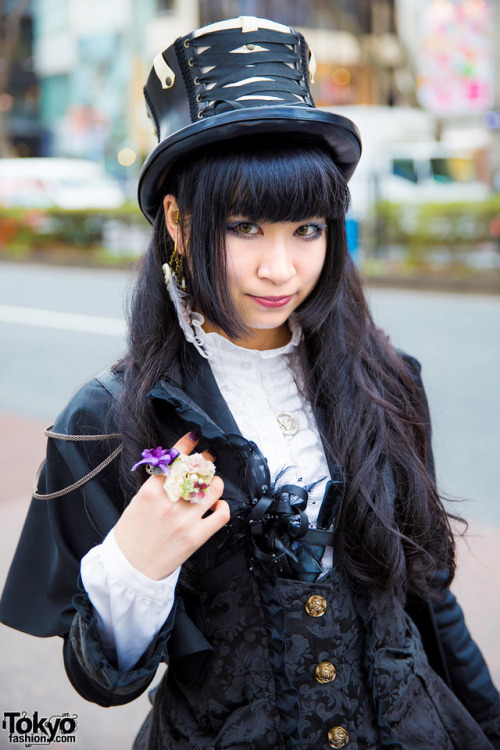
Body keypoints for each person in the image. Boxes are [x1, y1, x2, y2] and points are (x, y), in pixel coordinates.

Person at [1, 16, 500, 750]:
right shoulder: (108, 420)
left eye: (306, 229)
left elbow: (427, 595)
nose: (281, 270)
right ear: (176, 221)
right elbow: (105, 681)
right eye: (243, 228)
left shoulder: (389, 380)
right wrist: (135, 566)